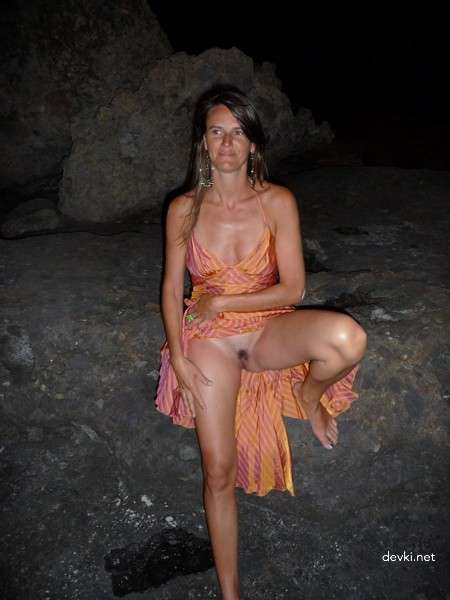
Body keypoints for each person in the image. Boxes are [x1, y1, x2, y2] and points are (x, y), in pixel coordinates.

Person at [155, 84, 367, 600]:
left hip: (266, 323)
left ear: (253, 142)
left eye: (238, 133)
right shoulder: (183, 209)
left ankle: (308, 395)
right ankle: (231, 594)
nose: (227, 143)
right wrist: (178, 357)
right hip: (209, 341)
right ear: (203, 142)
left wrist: (224, 302)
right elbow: (170, 286)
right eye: (216, 132)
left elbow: (293, 289)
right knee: (218, 471)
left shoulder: (277, 201)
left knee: (347, 338)